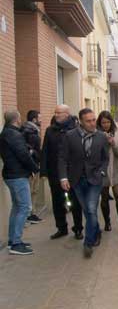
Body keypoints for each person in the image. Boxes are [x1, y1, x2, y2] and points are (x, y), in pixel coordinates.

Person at [58, 108, 109, 258]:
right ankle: (96, 230)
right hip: (77, 180)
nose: (93, 123)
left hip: (95, 179)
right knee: (87, 210)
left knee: (92, 209)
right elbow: (62, 158)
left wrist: (102, 171)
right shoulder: (70, 136)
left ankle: (88, 243)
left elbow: (105, 158)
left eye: (94, 120)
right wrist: (63, 178)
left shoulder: (101, 136)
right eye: (88, 121)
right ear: (81, 121)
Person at [40, 105, 84, 240]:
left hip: (72, 173)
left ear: (67, 114)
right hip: (54, 173)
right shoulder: (50, 131)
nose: (56, 115)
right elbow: (45, 151)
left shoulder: (77, 130)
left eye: (59, 112)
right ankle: (61, 228)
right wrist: (44, 171)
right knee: (57, 202)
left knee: (74, 202)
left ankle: (78, 228)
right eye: (55, 112)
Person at [0, 110, 39, 255]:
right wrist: (35, 168)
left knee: (17, 207)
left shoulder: (6, 133)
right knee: (24, 207)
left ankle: (13, 241)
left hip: (12, 174)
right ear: (17, 119)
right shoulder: (13, 134)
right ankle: (16, 243)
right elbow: (22, 154)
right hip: (17, 175)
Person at [97, 111, 118, 232]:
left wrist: (112, 143)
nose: (106, 125)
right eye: (103, 122)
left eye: (108, 122)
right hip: (102, 171)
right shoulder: (96, 135)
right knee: (104, 198)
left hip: (116, 170)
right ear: (99, 123)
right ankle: (107, 222)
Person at [21, 110, 43, 224]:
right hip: (31, 167)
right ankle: (29, 214)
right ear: (34, 119)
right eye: (40, 118)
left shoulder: (33, 131)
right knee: (31, 190)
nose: (41, 120)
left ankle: (32, 213)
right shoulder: (28, 132)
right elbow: (29, 151)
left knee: (34, 190)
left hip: (34, 165)